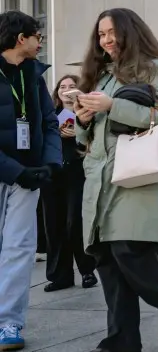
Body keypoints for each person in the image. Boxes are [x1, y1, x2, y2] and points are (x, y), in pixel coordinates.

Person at [74, 7, 158, 352]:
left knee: (130, 249)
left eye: (112, 32)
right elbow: (91, 136)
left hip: (136, 174)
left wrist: (112, 105)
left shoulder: (157, 68)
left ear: (130, 32)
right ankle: (122, 339)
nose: (106, 40)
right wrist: (83, 120)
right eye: (101, 34)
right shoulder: (101, 77)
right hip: (100, 178)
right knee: (107, 259)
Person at [0, 11, 61, 352]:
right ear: (21, 38)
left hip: (29, 176)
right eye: (37, 35)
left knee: (20, 249)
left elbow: (50, 123)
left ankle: (9, 324)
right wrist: (16, 170)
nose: (42, 41)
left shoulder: (34, 77)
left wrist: (50, 164)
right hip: (8, 171)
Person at [40, 74, 98, 292]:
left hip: (78, 172)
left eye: (72, 86)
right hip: (53, 173)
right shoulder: (50, 115)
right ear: (57, 92)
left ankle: (87, 270)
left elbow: (99, 142)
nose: (67, 90)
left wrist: (79, 133)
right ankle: (60, 275)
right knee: (53, 225)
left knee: (75, 222)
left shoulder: (88, 114)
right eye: (62, 86)